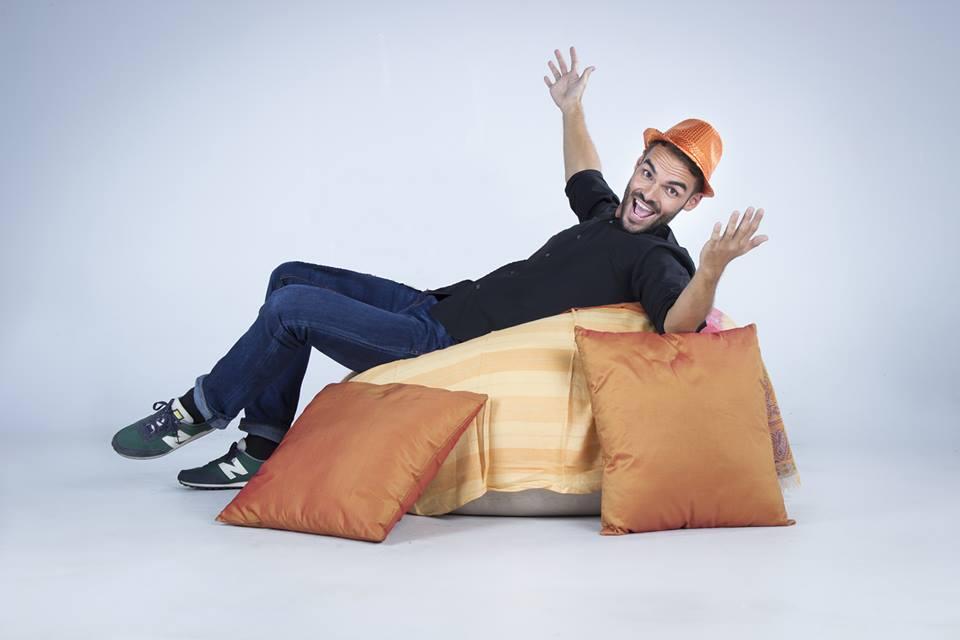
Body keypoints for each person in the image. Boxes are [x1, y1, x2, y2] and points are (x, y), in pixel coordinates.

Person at [111, 45, 767, 489]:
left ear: (689, 203)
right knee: (288, 276)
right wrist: (572, 110)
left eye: (671, 190)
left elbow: (677, 325)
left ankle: (198, 409)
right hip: (434, 304)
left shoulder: (659, 257)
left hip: (440, 344)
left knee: (290, 311)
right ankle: (261, 444)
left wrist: (711, 269)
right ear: (638, 165)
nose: (648, 193)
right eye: (647, 172)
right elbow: (583, 175)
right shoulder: (610, 216)